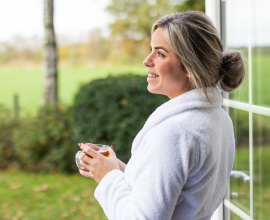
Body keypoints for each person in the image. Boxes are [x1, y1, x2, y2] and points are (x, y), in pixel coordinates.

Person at [78, 11, 245, 220]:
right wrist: (115, 167)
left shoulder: (175, 133)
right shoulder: (218, 119)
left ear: (190, 67)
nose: (146, 61)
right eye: (151, 50)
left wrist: (107, 176)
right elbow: (173, 188)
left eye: (160, 54)